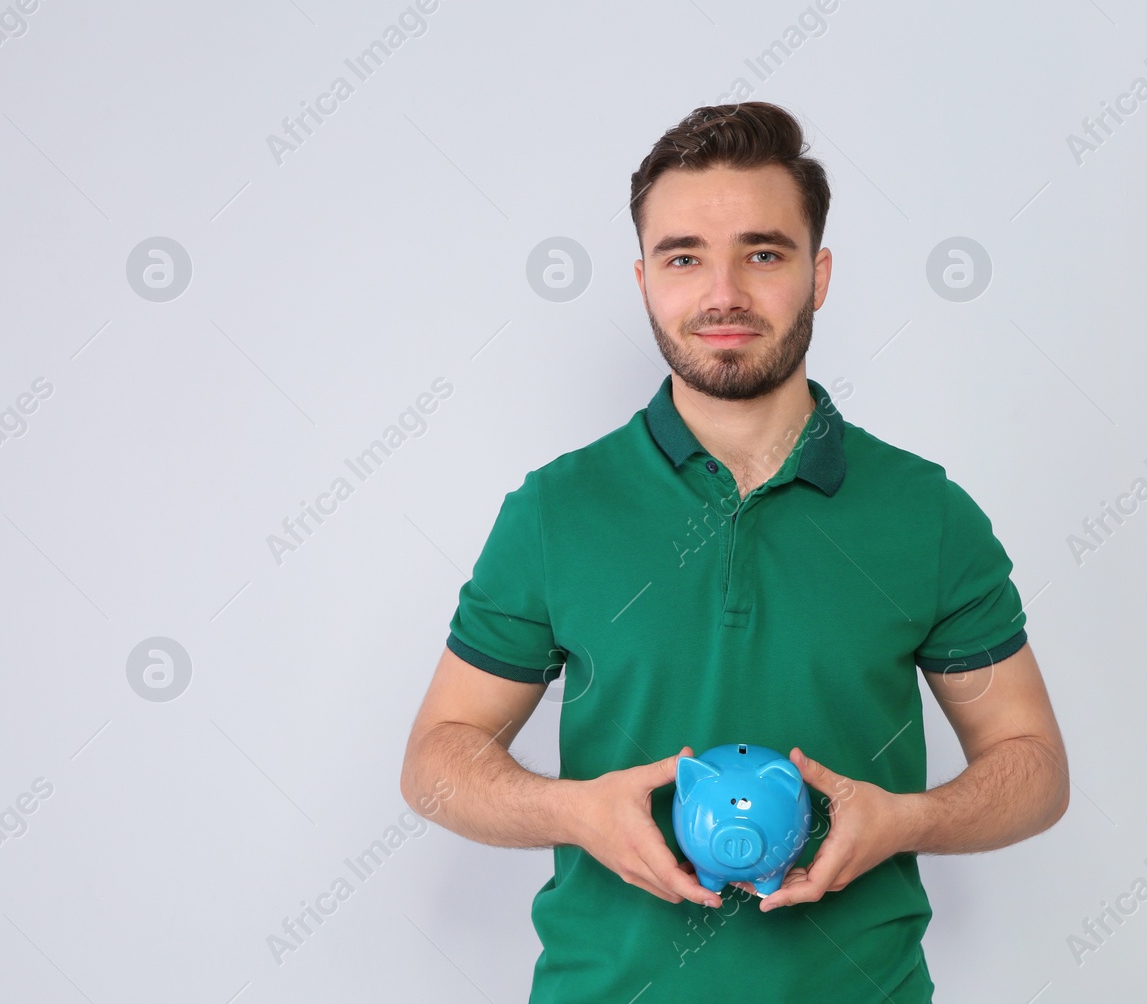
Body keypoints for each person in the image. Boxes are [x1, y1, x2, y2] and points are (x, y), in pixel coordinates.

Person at [399, 101, 1069, 1002]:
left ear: (818, 273)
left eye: (763, 252)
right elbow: (438, 761)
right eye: (684, 257)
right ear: (643, 278)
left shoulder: (928, 515)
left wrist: (906, 819)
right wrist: (575, 811)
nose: (724, 293)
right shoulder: (556, 512)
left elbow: (1032, 764)